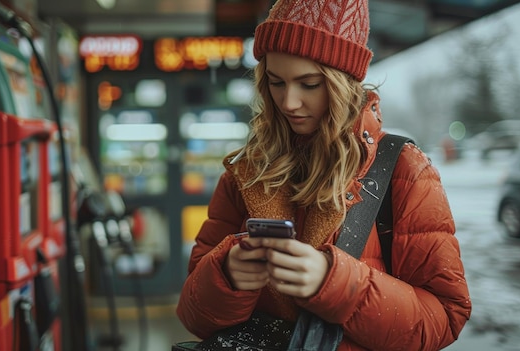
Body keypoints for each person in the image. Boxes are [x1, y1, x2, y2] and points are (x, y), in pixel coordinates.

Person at [176, 0, 472, 349]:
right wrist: (226, 275)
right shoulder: (245, 173)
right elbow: (193, 315)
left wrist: (333, 283)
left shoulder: (405, 169)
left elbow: (445, 318)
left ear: (343, 83)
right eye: (276, 82)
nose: (288, 102)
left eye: (310, 84)